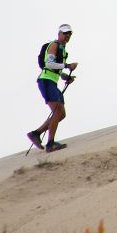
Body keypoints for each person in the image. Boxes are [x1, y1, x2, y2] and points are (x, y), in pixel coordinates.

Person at [27, 23, 78, 152]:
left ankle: (36, 133)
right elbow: (49, 64)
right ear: (59, 34)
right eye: (65, 33)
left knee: (61, 114)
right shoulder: (54, 45)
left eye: (69, 34)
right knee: (57, 111)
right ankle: (50, 143)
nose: (67, 36)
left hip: (51, 82)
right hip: (46, 81)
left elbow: (57, 69)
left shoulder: (63, 50)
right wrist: (67, 66)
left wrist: (66, 77)